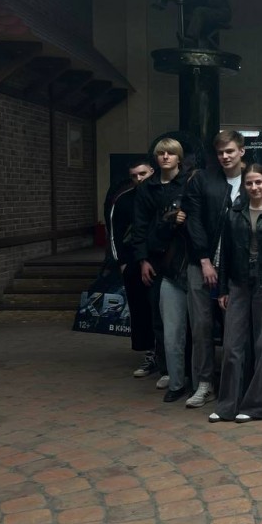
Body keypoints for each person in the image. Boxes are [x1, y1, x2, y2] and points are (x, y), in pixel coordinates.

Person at [210, 164, 262, 423]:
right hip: (238, 284)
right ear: (244, 186)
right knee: (232, 347)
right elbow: (225, 255)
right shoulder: (234, 214)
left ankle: (256, 406)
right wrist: (222, 289)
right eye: (249, 183)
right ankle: (227, 406)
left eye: (259, 182)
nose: (254, 187)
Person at [183, 130, 246, 409]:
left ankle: (235, 384)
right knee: (201, 327)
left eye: (230, 151)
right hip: (202, 265)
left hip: (237, 269)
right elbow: (193, 221)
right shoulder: (203, 180)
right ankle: (204, 383)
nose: (225, 156)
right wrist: (205, 260)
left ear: (241, 151)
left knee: (236, 329)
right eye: (220, 152)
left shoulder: (253, 179)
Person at [132, 139, 191, 401]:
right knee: (160, 316)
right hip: (156, 257)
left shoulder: (189, 182)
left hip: (186, 255)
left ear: (179, 157)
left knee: (191, 320)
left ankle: (190, 371)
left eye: (170, 153)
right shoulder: (147, 187)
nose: (166, 157)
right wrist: (142, 259)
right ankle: (167, 369)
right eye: (161, 153)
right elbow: (140, 225)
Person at [106, 159, 156, 378]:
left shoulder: (161, 194)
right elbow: (114, 233)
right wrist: (122, 263)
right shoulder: (123, 200)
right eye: (134, 176)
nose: (139, 179)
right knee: (140, 310)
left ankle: (169, 355)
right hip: (133, 262)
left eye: (143, 173)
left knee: (163, 310)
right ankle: (150, 354)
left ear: (152, 171)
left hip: (161, 260)